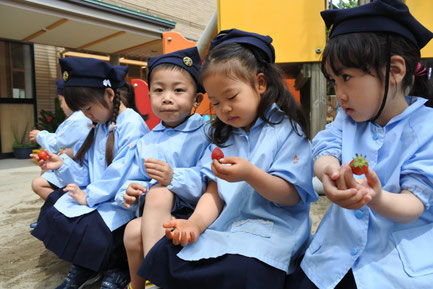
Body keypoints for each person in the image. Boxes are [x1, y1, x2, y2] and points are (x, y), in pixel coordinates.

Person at [138, 29, 318, 289]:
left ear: (260, 83)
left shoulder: (287, 130)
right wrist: (195, 224)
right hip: (228, 227)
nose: (225, 109)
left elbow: (291, 195)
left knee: (242, 271)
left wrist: (251, 174)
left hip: (273, 232)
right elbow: (215, 192)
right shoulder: (225, 135)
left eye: (231, 97)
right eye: (216, 102)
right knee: (166, 252)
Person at [287, 1, 433, 288]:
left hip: (396, 263)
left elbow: (415, 203)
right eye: (333, 81)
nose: (339, 94)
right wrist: (328, 171)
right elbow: (324, 145)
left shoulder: (427, 128)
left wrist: (376, 199)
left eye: (346, 78)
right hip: (335, 254)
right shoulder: (348, 119)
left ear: (394, 70)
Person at [30, 57, 149, 289]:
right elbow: (87, 174)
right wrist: (61, 165)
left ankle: (118, 267)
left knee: (86, 227)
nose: (87, 116)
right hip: (100, 197)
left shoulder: (132, 124)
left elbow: (121, 173)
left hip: (120, 203)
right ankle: (86, 264)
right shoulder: (102, 125)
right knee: (56, 211)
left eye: (88, 109)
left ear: (109, 95)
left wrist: (89, 196)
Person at [115, 47, 210, 289]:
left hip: (196, 213)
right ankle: (138, 285)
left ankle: (156, 279)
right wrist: (129, 193)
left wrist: (172, 177)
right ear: (149, 97)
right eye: (159, 90)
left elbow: (207, 180)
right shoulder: (146, 141)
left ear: (196, 99)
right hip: (157, 218)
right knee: (132, 230)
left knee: (160, 190)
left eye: (178, 90)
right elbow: (131, 178)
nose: (167, 97)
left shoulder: (205, 134)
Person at [30, 78, 92, 200]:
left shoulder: (78, 119)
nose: (61, 105)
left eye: (61, 101)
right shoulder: (77, 117)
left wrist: (40, 135)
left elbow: (57, 143)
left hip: (78, 169)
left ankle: (62, 207)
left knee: (38, 184)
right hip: (72, 164)